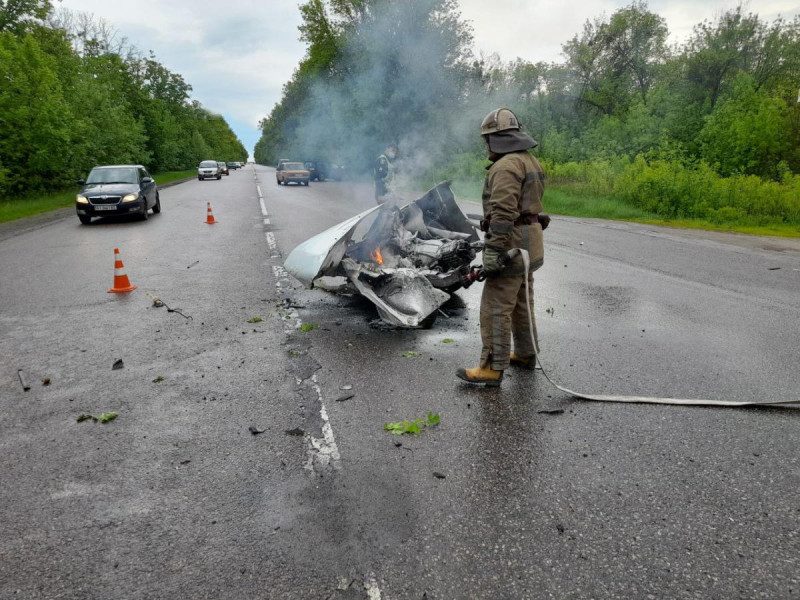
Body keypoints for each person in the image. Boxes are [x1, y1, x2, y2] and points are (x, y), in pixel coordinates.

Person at [457, 108, 549, 386]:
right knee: (522, 303)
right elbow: (528, 205)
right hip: (530, 246)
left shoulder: (506, 166)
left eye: (488, 139)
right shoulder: (529, 160)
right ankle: (526, 353)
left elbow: (503, 213)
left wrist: (494, 251)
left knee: (496, 306)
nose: (487, 145)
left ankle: (491, 367)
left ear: (496, 139)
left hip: (512, 247)